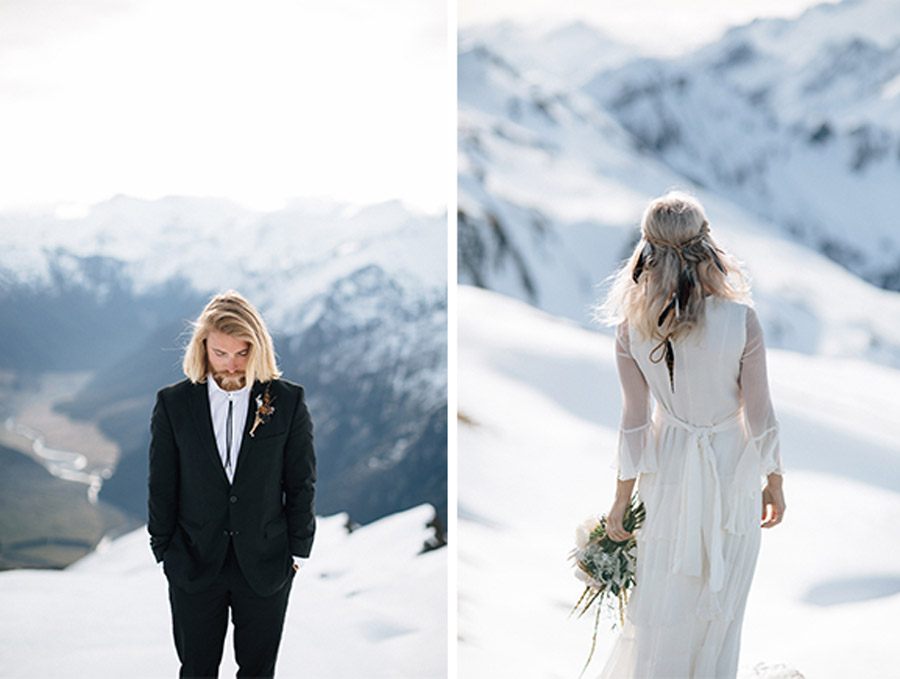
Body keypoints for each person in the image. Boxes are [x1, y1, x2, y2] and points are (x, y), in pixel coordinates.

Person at [596, 191, 786, 678]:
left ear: (646, 253)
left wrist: (620, 501)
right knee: (721, 607)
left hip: (669, 476)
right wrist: (774, 482)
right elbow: (760, 415)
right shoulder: (741, 320)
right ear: (708, 248)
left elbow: (635, 423)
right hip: (731, 474)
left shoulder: (630, 329)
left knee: (663, 605)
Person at [148, 290, 316, 678]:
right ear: (202, 347)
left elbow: (301, 480)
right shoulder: (173, 404)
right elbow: (162, 482)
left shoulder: (287, 401)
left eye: (242, 353)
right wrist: (164, 548)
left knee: (258, 672)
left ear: (257, 348)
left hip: (266, 562)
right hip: (192, 561)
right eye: (220, 353)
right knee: (196, 670)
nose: (231, 364)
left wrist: (297, 550)